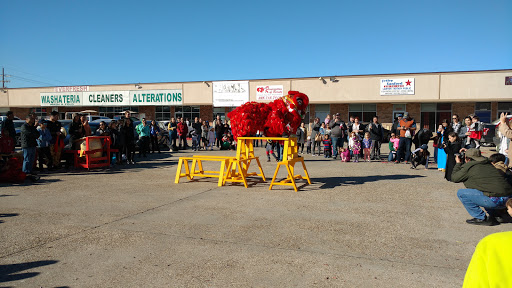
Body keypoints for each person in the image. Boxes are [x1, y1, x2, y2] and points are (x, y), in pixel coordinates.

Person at [452, 148, 512, 226]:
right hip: (508, 200)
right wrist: (471, 152)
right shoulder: (487, 163)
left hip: (494, 201)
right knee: (486, 189)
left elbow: (454, 178)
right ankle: (497, 215)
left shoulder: (469, 167)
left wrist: (458, 163)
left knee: (461, 193)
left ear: (468, 158)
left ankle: (481, 218)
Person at [21, 114, 40, 182]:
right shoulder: (24, 126)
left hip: (33, 144)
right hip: (27, 145)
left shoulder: (32, 127)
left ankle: (30, 171)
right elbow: (29, 134)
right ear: (26, 119)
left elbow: (37, 134)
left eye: (32, 119)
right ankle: (25, 172)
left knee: (32, 159)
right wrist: (34, 134)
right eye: (31, 119)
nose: (32, 120)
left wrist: (34, 132)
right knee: (27, 159)